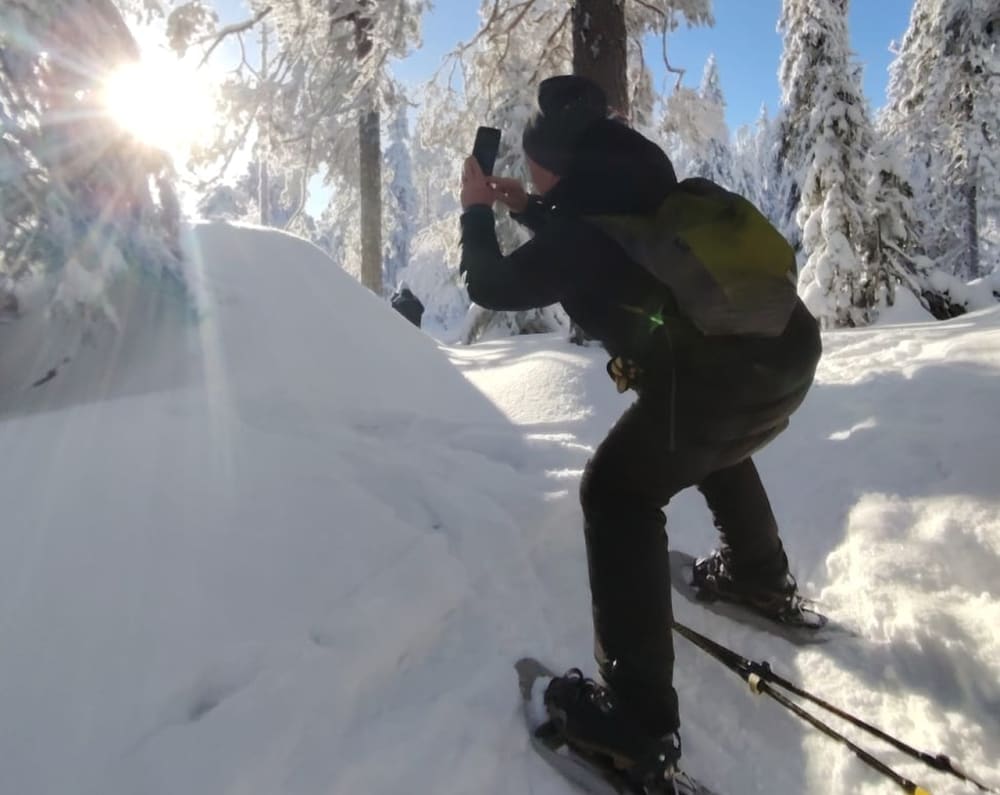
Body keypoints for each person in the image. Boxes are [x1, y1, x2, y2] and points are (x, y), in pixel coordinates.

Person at [458, 75, 822, 792]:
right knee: (708, 443)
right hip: (786, 355)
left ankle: (635, 725)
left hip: (720, 382)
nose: (528, 171)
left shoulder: (579, 222)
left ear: (556, 161)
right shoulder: (634, 179)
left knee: (617, 494)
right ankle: (759, 576)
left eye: (534, 163)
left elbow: (492, 285)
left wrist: (476, 211)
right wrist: (529, 207)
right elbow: (599, 240)